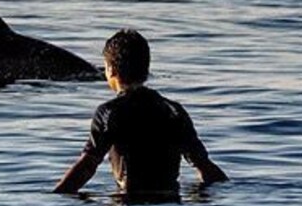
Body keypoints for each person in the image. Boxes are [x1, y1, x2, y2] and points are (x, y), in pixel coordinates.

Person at [53, 29, 228, 195]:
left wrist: (56, 197)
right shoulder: (173, 111)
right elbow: (204, 167)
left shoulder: (110, 112)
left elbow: (87, 166)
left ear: (111, 70)